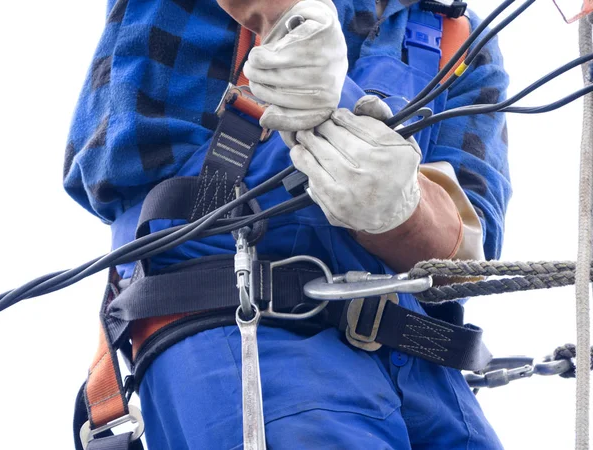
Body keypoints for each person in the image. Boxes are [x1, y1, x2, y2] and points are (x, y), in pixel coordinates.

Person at [65, 0, 511, 448]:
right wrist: (282, 15)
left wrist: (402, 209)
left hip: (425, 373)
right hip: (245, 321)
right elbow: (115, 163)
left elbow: (470, 252)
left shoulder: (456, 35)